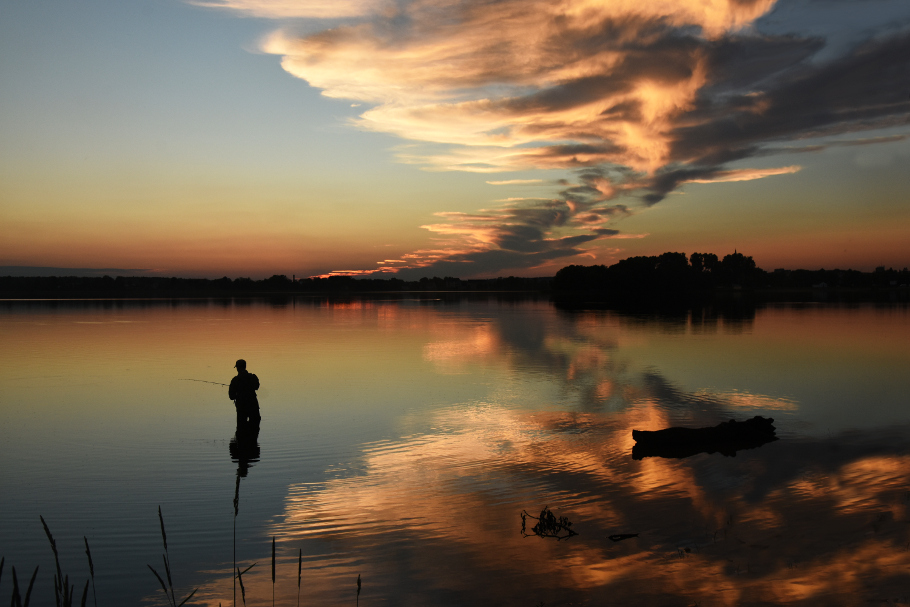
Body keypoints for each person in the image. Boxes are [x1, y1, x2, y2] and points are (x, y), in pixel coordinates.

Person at [229, 359, 260, 426]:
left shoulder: (235, 380)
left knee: (241, 429)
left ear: (238, 368)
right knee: (255, 428)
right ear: (245, 367)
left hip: (241, 408)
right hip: (253, 406)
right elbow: (257, 387)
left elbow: (231, 396)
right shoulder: (253, 377)